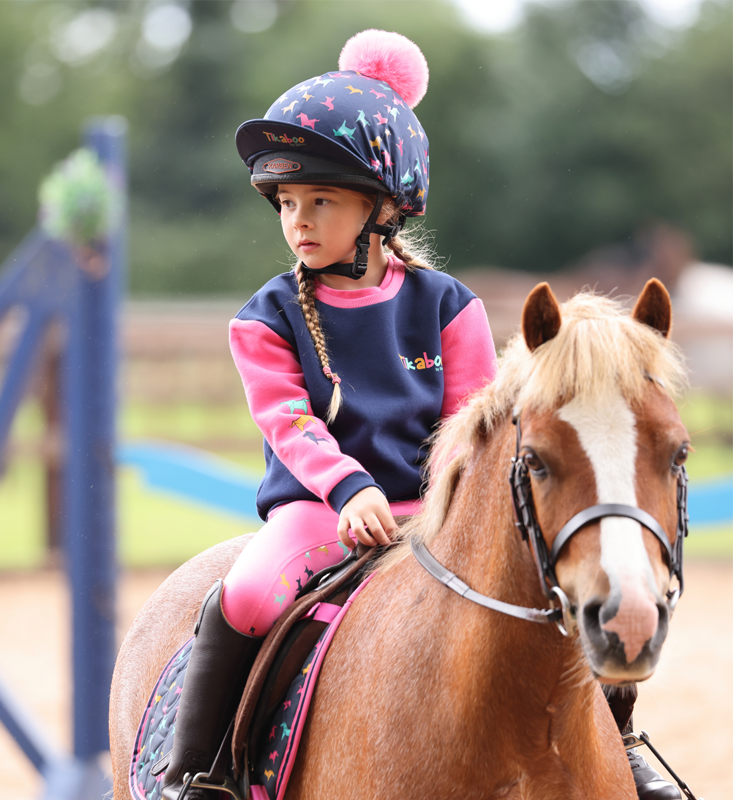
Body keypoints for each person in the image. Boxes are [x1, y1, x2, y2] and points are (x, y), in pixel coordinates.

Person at [157, 29, 679, 800]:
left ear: (382, 208)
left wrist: (432, 506)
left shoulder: (448, 307)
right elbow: (289, 424)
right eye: (288, 203)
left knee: (562, 584)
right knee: (243, 594)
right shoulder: (263, 318)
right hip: (319, 513)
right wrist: (349, 491)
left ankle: (621, 742)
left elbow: (468, 425)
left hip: (432, 511)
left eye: (321, 201)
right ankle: (198, 773)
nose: (298, 221)